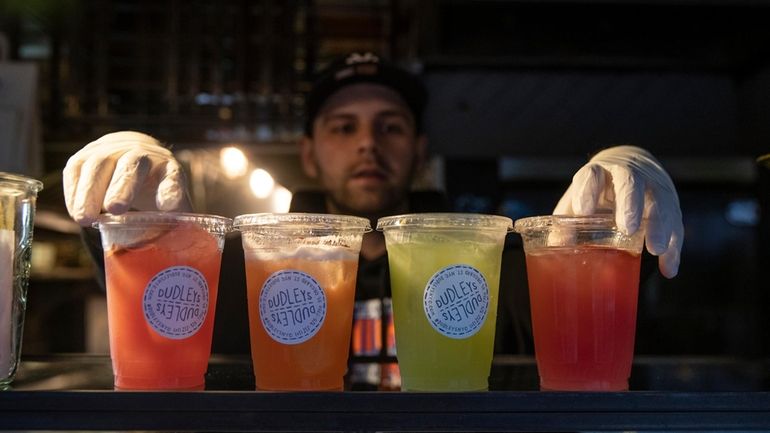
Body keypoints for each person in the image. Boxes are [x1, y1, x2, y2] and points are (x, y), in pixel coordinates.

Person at [62, 52, 684, 389]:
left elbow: (593, 297)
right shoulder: (242, 262)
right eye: (343, 127)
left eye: (390, 127)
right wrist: (131, 208)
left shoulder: (501, 262)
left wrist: (614, 218)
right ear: (309, 152)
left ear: (419, 150)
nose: (368, 144)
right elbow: (152, 284)